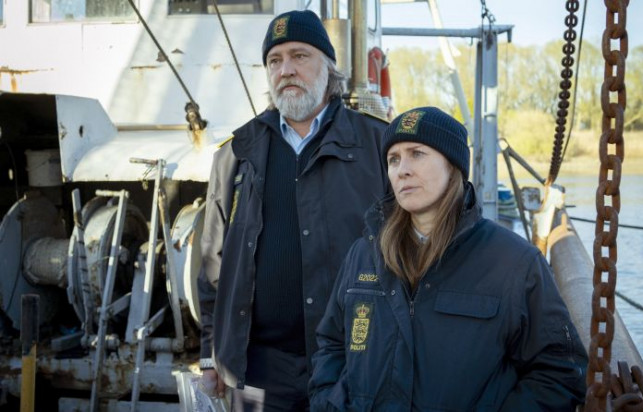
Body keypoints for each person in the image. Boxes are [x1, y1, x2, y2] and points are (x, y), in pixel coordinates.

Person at [309, 107, 588, 411]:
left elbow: (559, 372)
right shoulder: (364, 254)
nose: (402, 170)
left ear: (452, 166)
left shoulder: (514, 263)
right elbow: (332, 345)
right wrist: (329, 404)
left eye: (417, 154)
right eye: (393, 159)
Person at [197, 9, 389, 411]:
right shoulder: (236, 153)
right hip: (258, 369)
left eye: (300, 56)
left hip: (355, 362)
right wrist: (210, 354)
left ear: (329, 67)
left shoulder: (379, 146)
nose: (286, 69)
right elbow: (213, 266)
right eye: (275, 60)